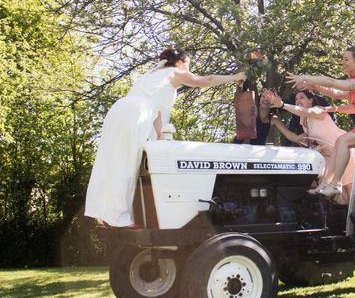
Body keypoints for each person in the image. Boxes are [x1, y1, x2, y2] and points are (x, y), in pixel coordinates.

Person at [85, 47, 245, 228]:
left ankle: (107, 215)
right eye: (188, 65)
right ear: (180, 63)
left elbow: (156, 110)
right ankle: (119, 218)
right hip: (137, 113)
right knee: (127, 163)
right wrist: (235, 77)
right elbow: (205, 81)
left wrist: (161, 139)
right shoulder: (174, 72)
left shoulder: (151, 75)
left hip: (120, 110)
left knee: (113, 162)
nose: (188, 70)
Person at [286, 46, 355, 197]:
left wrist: (306, 78)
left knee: (343, 140)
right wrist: (316, 87)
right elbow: (336, 93)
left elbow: (331, 82)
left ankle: (336, 184)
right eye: (342, 59)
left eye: (346, 59)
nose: (343, 62)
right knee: (340, 141)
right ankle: (325, 183)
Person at [262, 89, 355, 203]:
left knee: (351, 191)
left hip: (344, 150)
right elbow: (300, 138)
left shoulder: (318, 110)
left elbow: (304, 112)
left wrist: (282, 105)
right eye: (296, 99)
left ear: (310, 100)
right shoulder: (304, 119)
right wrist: (280, 125)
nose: (298, 101)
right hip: (330, 155)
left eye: (302, 97)